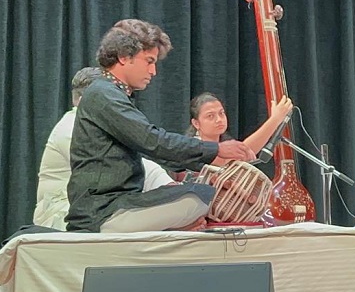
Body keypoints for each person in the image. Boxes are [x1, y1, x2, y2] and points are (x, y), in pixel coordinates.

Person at [66, 19, 255, 233]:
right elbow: (151, 140)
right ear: (123, 57)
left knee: (197, 194)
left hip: (112, 205)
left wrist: (205, 166)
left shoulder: (109, 93)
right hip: (101, 212)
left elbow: (155, 149)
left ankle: (174, 226)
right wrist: (217, 149)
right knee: (199, 197)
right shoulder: (103, 94)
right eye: (148, 61)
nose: (153, 71)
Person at [34, 67, 174, 230]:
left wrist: (169, 186)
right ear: (84, 100)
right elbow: (124, 164)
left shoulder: (97, 124)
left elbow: (136, 163)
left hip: (93, 209)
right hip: (63, 216)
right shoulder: (70, 128)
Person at [185, 92, 293, 166]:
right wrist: (274, 120)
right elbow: (241, 153)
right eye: (210, 116)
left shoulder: (228, 144)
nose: (219, 119)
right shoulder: (193, 149)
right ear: (196, 123)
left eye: (221, 113)